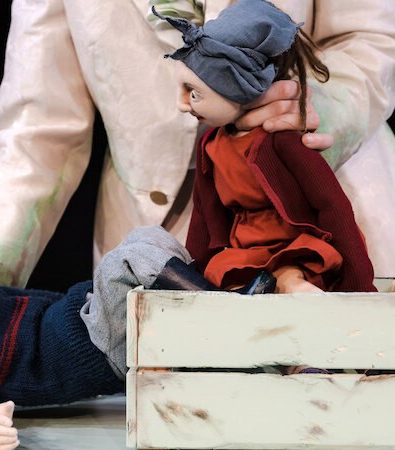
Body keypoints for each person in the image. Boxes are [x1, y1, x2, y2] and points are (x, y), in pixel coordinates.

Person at [0, 0, 395, 398]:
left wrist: (319, 111)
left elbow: (376, 35)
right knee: (196, 420)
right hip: (157, 240)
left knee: (388, 401)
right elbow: (36, 134)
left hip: (326, 190)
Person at [0, 226, 235, 449]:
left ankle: (213, 307)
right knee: (121, 263)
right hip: (97, 348)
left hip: (91, 317)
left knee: (145, 235)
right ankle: (230, 313)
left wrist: (94, 301)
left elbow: (45, 305)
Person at [154, 0, 377, 296]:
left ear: (238, 88)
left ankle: (291, 283)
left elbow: (333, 206)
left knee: (291, 272)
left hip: (291, 242)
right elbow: (205, 220)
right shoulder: (212, 148)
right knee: (227, 276)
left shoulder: (282, 142)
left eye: (193, 93)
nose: (181, 105)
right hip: (243, 248)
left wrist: (359, 286)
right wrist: (195, 283)